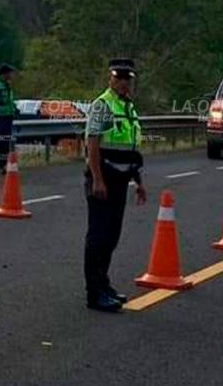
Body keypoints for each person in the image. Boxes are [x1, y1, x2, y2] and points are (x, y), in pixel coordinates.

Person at [83, 58, 147, 312]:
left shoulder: (128, 107)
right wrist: (97, 179)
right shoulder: (103, 105)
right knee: (98, 237)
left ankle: (104, 284)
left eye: (126, 79)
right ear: (110, 78)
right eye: (118, 78)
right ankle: (94, 293)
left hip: (121, 179)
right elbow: (93, 143)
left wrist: (139, 181)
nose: (123, 83)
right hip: (103, 178)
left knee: (111, 237)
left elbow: (132, 149)